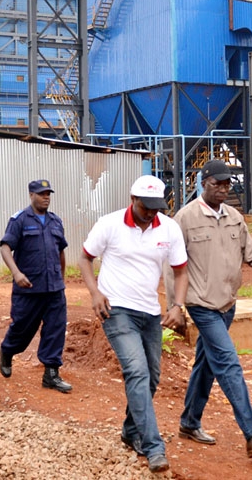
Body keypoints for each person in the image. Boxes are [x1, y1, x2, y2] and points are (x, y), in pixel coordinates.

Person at [169, 160, 252, 459]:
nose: (223, 189)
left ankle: (189, 422)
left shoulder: (234, 217)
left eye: (227, 184)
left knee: (206, 366)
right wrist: (175, 307)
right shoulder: (185, 218)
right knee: (228, 363)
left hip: (227, 304)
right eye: (217, 183)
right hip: (201, 304)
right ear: (203, 183)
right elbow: (173, 267)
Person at [79, 174, 189, 474]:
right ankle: (153, 446)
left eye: (157, 207)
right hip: (116, 310)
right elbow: (85, 258)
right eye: (146, 206)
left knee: (151, 377)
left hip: (150, 313)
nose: (152, 212)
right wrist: (95, 293)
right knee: (136, 371)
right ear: (133, 200)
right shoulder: (110, 224)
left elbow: (181, 271)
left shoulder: (169, 228)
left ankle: (130, 430)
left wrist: (177, 306)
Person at [0, 179, 71, 393]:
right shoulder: (19, 220)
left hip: (54, 288)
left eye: (48, 193)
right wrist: (16, 273)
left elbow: (61, 252)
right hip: (28, 288)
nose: (46, 197)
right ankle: (7, 351)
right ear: (31, 195)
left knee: (55, 328)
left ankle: (51, 373)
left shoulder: (55, 221)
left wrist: (62, 278)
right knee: (22, 327)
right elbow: (5, 247)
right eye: (41, 194)